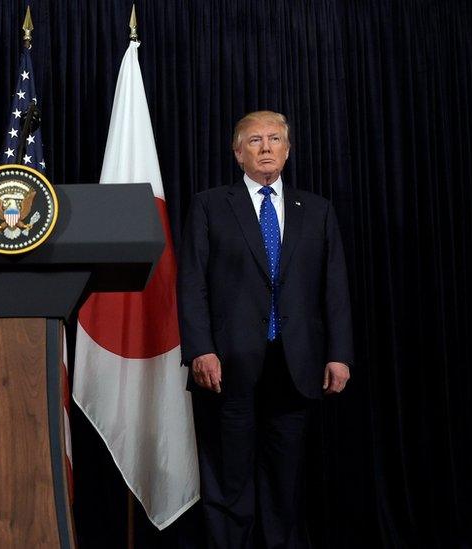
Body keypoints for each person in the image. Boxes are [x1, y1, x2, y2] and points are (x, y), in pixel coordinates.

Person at [177, 111, 353, 548]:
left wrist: (340, 354)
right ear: (239, 154)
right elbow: (191, 284)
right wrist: (201, 349)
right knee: (229, 479)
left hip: (296, 364)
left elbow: (335, 290)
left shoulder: (317, 210)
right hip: (227, 364)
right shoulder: (210, 205)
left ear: (288, 150)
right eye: (254, 140)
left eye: (275, 139)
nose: (267, 147)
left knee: (285, 481)